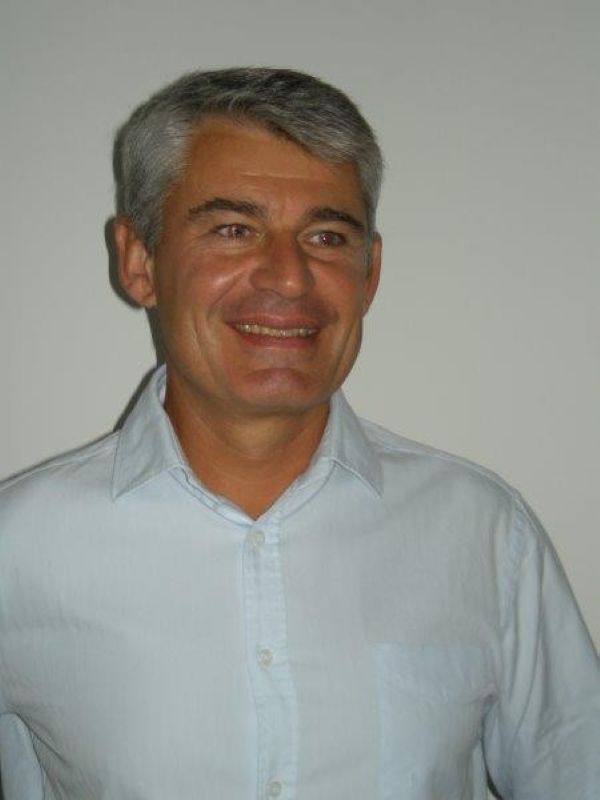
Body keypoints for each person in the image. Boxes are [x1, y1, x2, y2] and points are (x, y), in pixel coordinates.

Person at [0, 67, 598, 800]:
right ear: (139, 260)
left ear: (370, 273)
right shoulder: (18, 551)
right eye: (233, 229)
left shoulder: (484, 534)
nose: (288, 277)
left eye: (326, 235)